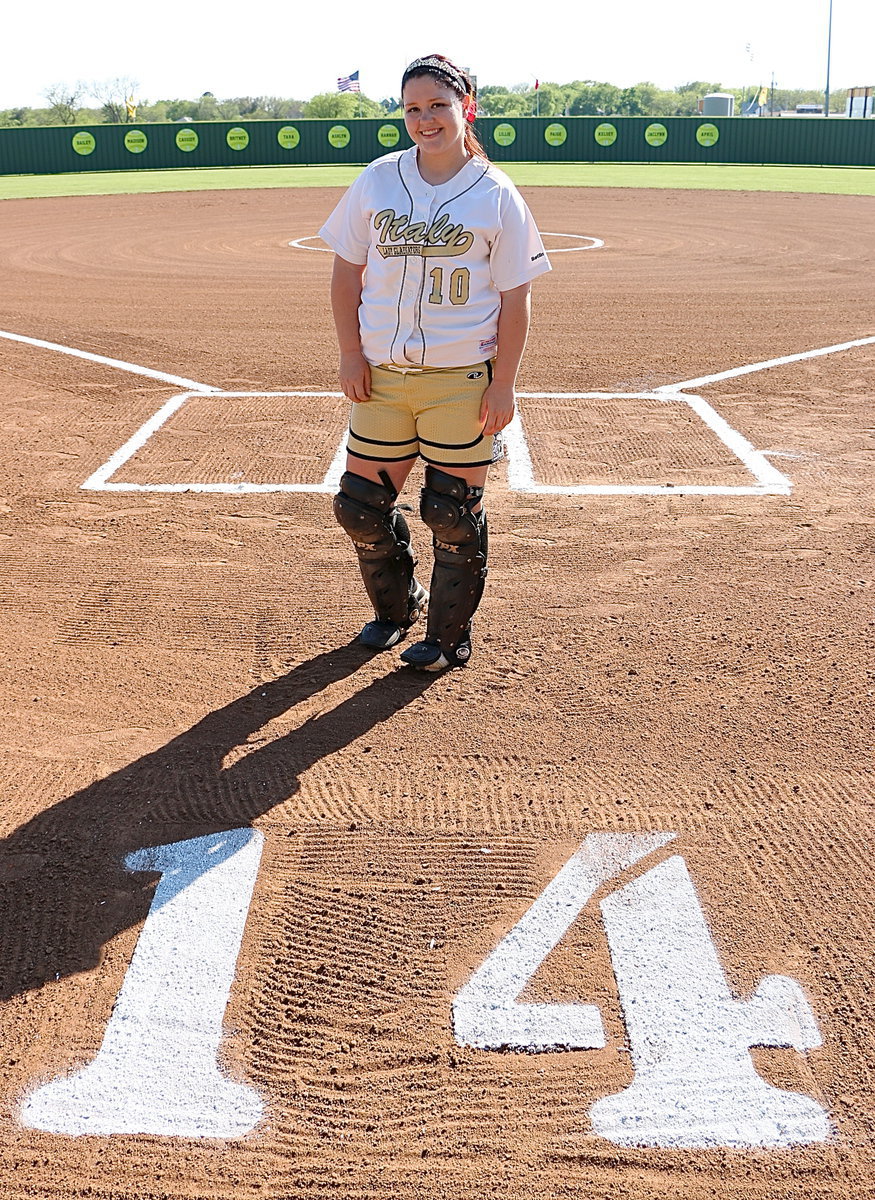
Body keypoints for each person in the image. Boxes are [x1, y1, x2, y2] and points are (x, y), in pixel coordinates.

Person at [319, 53, 551, 671]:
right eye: (413, 109)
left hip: (460, 383)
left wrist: (504, 385)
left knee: (451, 513)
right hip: (383, 378)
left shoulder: (495, 193)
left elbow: (515, 299)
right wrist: (349, 352)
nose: (425, 119)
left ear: (465, 108)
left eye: (438, 106)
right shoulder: (378, 180)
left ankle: (448, 638)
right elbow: (346, 274)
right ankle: (396, 612)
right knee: (360, 508)